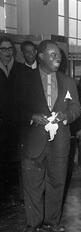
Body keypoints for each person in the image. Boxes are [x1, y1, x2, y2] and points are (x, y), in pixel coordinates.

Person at [20, 40, 81, 232]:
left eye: (59, 55)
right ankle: (33, 223)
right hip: (33, 139)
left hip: (60, 141)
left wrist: (66, 116)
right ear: (40, 56)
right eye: (52, 54)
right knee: (32, 182)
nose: (58, 58)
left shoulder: (68, 82)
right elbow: (13, 107)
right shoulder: (25, 79)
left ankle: (52, 221)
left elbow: (76, 108)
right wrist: (31, 116)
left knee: (57, 181)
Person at [0, 36, 24, 207]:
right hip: (1, 124)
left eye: (9, 49)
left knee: (18, 160)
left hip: (19, 123)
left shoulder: (22, 70)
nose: (7, 52)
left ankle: (20, 195)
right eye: (3, 49)